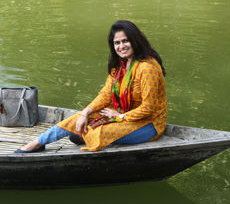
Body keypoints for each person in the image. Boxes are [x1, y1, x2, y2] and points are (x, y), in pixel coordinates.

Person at [15, 20, 167, 153]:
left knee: (98, 132)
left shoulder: (147, 68)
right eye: (117, 43)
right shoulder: (119, 66)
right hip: (122, 115)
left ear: (135, 41)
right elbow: (105, 95)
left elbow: (149, 107)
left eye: (125, 41)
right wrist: (85, 113)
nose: (121, 46)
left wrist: (120, 116)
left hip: (148, 124)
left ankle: (83, 136)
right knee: (77, 119)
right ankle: (36, 143)